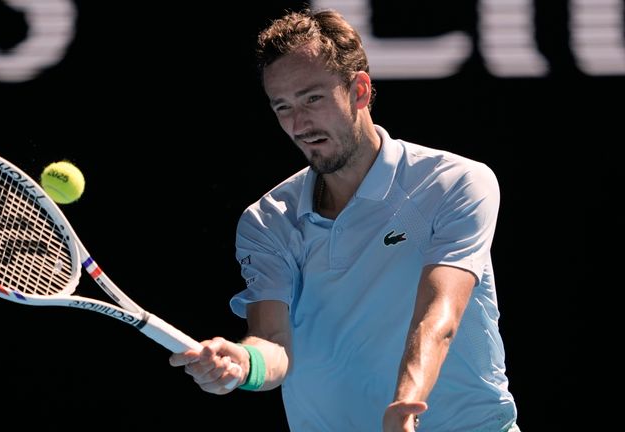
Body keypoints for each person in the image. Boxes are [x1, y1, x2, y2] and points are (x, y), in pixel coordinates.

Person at [169, 8, 518, 432]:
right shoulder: (267, 222)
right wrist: (244, 362)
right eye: (283, 107)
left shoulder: (455, 183)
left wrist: (406, 402)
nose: (298, 124)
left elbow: (438, 315)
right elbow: (274, 346)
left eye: (312, 98)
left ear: (360, 90)